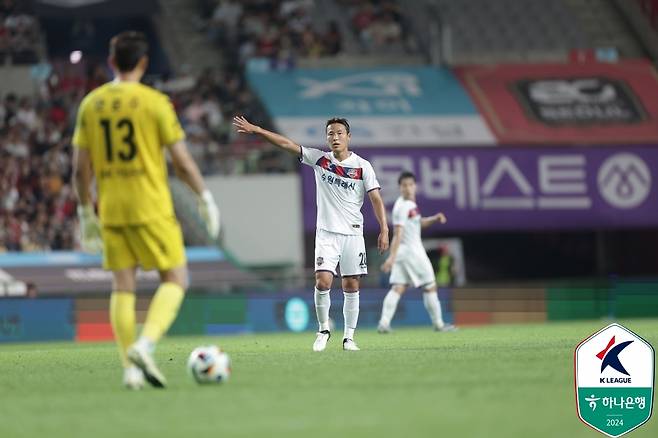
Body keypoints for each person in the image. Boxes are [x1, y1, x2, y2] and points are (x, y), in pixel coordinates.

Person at [72, 31, 220, 389]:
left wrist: (85, 212)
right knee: (176, 278)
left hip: (112, 207)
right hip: (150, 203)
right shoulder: (155, 102)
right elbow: (181, 162)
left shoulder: (91, 104)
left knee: (123, 285)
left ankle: (130, 369)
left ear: (111, 62)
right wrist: (204, 196)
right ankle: (146, 342)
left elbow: (80, 169)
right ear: (142, 63)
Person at [233, 115, 388, 351]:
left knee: (351, 286)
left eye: (339, 133)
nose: (334, 137)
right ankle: (324, 329)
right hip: (326, 233)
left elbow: (375, 198)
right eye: (330, 134)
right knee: (323, 280)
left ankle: (349, 338)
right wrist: (258, 130)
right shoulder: (320, 160)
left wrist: (384, 228)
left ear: (348, 137)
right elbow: (286, 144)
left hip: (353, 234)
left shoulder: (362, 166)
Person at [378, 171, 456, 333]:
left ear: (415, 186)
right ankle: (439, 324)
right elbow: (398, 234)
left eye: (410, 185)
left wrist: (434, 219)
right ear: (400, 188)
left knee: (398, 287)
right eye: (404, 185)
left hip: (403, 253)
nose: (408, 188)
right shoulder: (402, 207)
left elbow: (418, 223)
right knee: (430, 286)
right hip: (413, 252)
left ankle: (384, 323)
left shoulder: (409, 206)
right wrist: (391, 258)